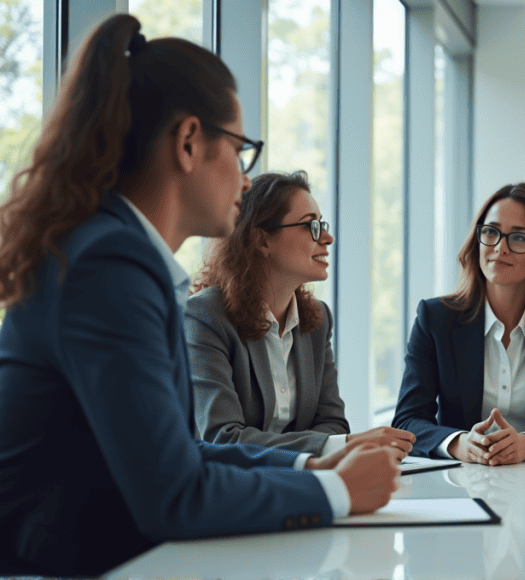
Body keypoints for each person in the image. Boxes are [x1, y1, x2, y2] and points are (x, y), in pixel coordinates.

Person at [0, 15, 399, 576]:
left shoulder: (117, 254)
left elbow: (179, 460)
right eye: (239, 150)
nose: (243, 179)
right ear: (189, 142)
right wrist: (337, 493)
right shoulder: (108, 265)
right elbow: (174, 495)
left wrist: (314, 468)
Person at [186, 170, 415, 457]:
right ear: (262, 240)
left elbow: (332, 423)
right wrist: (342, 446)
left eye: (323, 225)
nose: (328, 238)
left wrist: (335, 446)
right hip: (229, 491)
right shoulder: (205, 316)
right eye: (311, 226)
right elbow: (222, 438)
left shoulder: (317, 320)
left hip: (300, 483)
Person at [392, 182, 525, 464]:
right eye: (490, 232)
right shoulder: (435, 318)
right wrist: (460, 443)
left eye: (518, 238)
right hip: (458, 482)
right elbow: (407, 420)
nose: (499, 248)